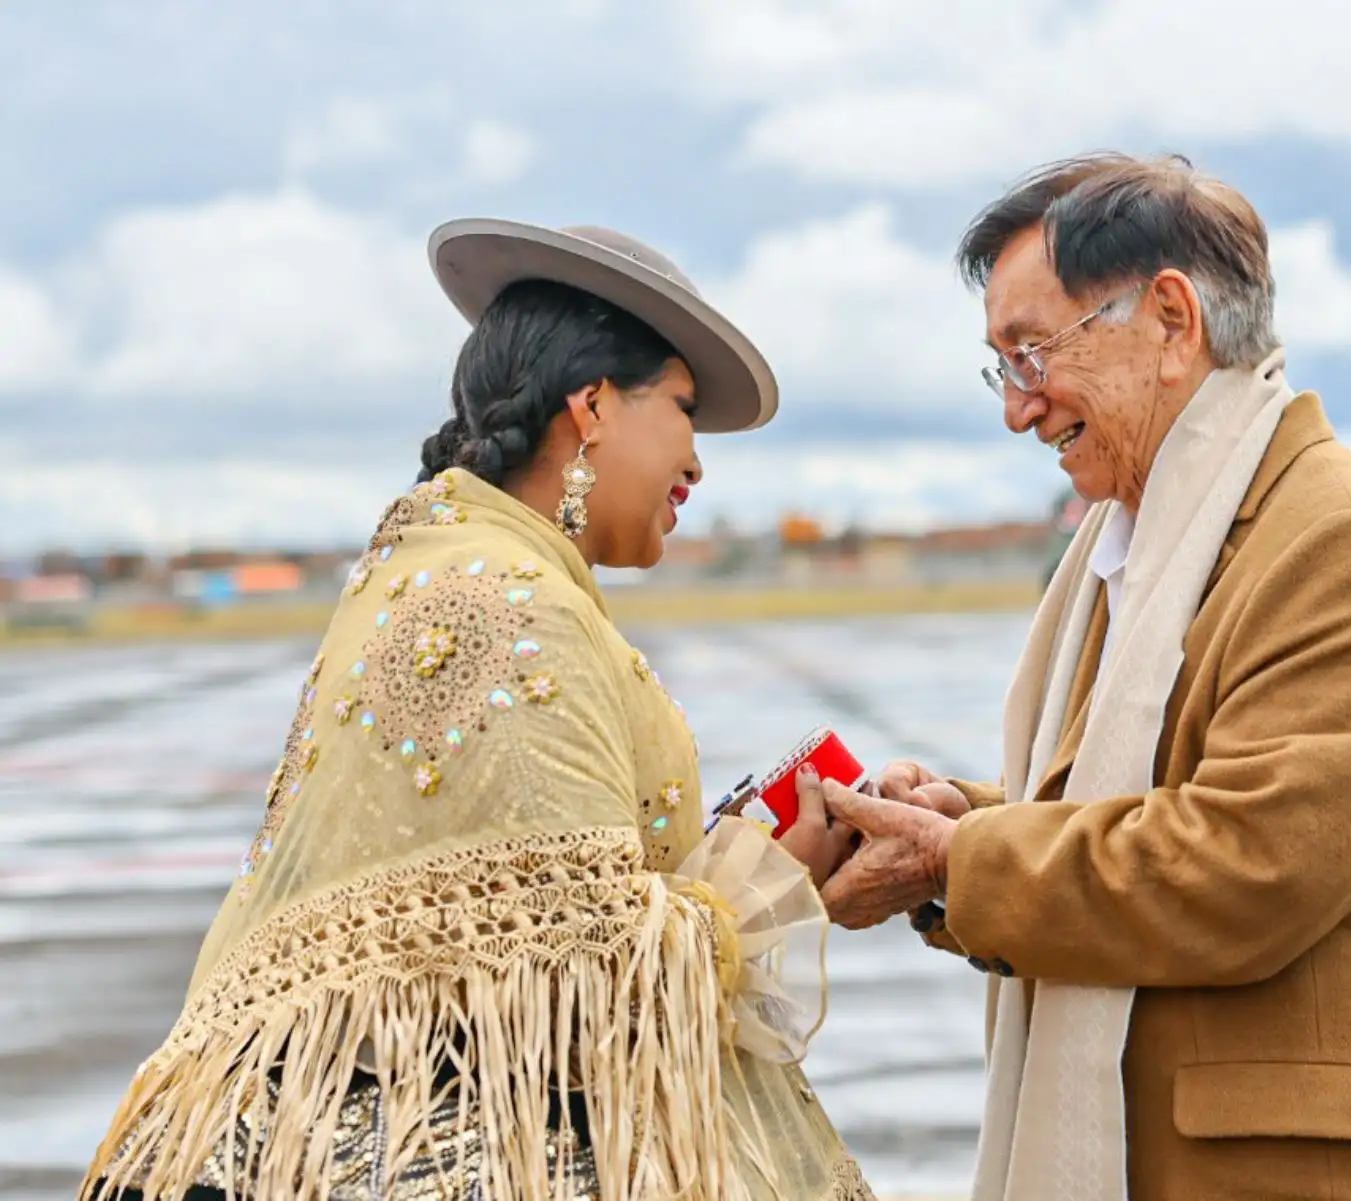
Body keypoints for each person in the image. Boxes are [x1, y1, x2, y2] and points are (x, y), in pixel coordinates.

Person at [79, 220, 872, 1200]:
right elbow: (595, 984)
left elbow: (545, 907)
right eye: (681, 409)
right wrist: (772, 873)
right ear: (590, 407)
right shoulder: (505, 599)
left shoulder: (441, 567)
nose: (699, 463)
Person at [802, 152, 1351, 1200]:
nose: (1019, 408)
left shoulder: (1344, 540)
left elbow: (1247, 865)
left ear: (1173, 321)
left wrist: (961, 860)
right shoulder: (1149, 541)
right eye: (1003, 365)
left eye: (1032, 352)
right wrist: (954, 821)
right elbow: (1136, 813)